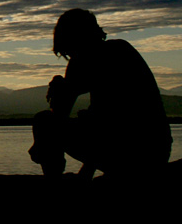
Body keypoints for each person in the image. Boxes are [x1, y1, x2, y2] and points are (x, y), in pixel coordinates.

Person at [29, 9, 172, 181]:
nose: (69, 57)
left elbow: (113, 123)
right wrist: (62, 88)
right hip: (156, 150)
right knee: (47, 123)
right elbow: (67, 117)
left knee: (43, 122)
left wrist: (61, 89)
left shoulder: (109, 54)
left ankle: (54, 180)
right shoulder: (119, 49)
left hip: (140, 151)